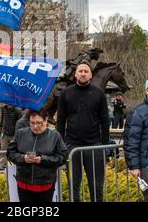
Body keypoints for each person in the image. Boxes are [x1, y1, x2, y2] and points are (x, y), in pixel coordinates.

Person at [57, 60, 109, 202]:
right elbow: (60, 121)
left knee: (96, 187)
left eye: (86, 71)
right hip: (72, 146)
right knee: (74, 187)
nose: (83, 74)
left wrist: (105, 147)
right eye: (80, 71)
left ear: (91, 75)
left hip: (95, 146)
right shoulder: (65, 94)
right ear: (75, 74)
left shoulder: (99, 93)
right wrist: (61, 145)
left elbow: (105, 120)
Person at [7, 108, 67, 202]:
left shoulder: (55, 136)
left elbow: (62, 157)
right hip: (24, 184)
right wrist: (23, 158)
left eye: (39, 123)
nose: (35, 126)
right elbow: (10, 153)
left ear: (46, 120)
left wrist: (43, 159)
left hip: (45, 185)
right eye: (32, 123)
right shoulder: (20, 133)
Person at [0, 104, 22, 170]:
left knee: (14, 150)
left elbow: (21, 122)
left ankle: (15, 167)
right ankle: (1, 166)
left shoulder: (17, 110)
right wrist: (0, 126)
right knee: (3, 149)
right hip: (5, 133)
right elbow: (2, 118)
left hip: (14, 135)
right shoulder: (3, 109)